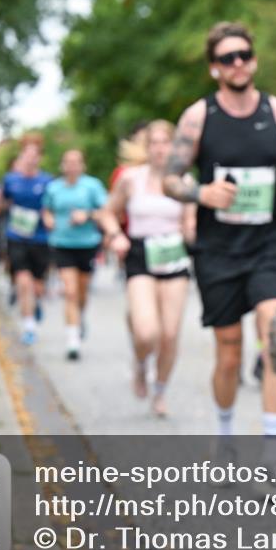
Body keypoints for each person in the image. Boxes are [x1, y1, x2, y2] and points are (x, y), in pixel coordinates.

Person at [161, 22, 276, 480]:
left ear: (254, 59)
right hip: (218, 250)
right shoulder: (197, 117)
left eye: (243, 54)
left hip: (270, 243)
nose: (238, 63)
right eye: (227, 58)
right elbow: (170, 179)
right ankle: (224, 434)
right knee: (229, 353)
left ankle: (273, 455)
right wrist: (200, 194)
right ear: (214, 68)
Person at [101, 120, 195, 417]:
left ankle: (160, 391)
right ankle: (141, 364)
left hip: (174, 255)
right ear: (147, 147)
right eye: (153, 142)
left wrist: (199, 235)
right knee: (146, 332)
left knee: (169, 334)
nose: (159, 148)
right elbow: (106, 212)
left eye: (165, 142)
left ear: (174, 147)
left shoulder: (185, 182)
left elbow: (189, 225)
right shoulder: (131, 179)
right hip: (140, 253)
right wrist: (115, 235)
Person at [42, 149, 108, 361]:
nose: (72, 166)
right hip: (62, 244)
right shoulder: (54, 188)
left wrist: (87, 215)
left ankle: (79, 317)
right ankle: (72, 341)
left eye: (76, 162)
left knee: (81, 292)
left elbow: (106, 212)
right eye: (68, 162)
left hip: (87, 244)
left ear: (82, 165)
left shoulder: (92, 186)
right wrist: (48, 219)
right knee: (70, 291)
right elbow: (47, 210)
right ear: (62, 165)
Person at [0, 133, 54, 346]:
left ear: (39, 157)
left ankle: (35, 302)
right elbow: (1, 204)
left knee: (37, 285)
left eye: (34, 154)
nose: (30, 158)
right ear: (22, 155)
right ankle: (29, 326)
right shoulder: (10, 180)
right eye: (26, 154)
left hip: (40, 238)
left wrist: (49, 217)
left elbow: (52, 207)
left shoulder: (47, 181)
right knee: (22, 281)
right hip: (17, 236)